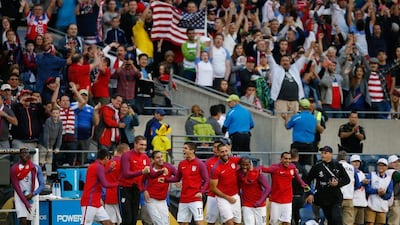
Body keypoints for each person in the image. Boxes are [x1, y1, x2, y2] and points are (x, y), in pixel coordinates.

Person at [162, 142, 208, 225]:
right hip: (184, 198)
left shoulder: (200, 164)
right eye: (183, 148)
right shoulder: (182, 164)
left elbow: (206, 180)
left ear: (192, 150)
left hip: (195, 198)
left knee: (199, 222)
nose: (183, 150)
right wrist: (165, 179)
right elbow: (177, 178)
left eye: (185, 148)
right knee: (183, 223)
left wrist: (201, 192)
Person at [305, 146, 351, 225]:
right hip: (322, 198)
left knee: (337, 219)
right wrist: (309, 194)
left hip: (335, 198)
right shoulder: (316, 167)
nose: (323, 155)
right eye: (322, 153)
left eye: (325, 153)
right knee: (329, 219)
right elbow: (307, 181)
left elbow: (347, 179)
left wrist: (338, 183)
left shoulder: (338, 165)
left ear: (331, 154)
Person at [261, 152, 309, 225]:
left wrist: (303, 184)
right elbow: (263, 169)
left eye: (289, 159)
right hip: (275, 200)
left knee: (287, 222)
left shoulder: (292, 167)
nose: (288, 161)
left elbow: (297, 177)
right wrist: (256, 169)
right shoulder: (274, 168)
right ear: (281, 159)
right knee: (274, 222)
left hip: (287, 200)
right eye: (285, 158)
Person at [80, 148, 118, 225]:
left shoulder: (94, 166)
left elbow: (100, 175)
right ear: (106, 157)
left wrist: (109, 169)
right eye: (109, 159)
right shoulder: (99, 167)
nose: (108, 161)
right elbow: (105, 184)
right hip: (89, 202)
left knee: (108, 223)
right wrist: (118, 184)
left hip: (95, 202)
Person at [118, 135, 151, 225]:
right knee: (127, 219)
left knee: (134, 220)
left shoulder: (145, 157)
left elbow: (149, 174)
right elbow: (126, 173)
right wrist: (141, 171)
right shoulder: (126, 155)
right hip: (125, 189)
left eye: (145, 145)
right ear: (135, 144)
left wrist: (161, 172)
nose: (143, 147)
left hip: (136, 190)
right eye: (141, 144)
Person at [10, 147, 45, 225]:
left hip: (32, 196)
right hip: (20, 197)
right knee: (23, 221)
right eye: (23, 153)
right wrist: (25, 202)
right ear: (19, 155)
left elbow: (42, 185)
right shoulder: (14, 169)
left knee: (29, 222)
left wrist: (33, 194)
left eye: (26, 153)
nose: (24, 154)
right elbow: (16, 187)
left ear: (29, 155)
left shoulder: (35, 167)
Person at [210, 143, 241, 225]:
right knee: (229, 222)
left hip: (235, 196)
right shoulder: (216, 168)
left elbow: (246, 161)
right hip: (222, 198)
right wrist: (227, 197)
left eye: (226, 151)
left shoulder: (234, 160)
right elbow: (213, 188)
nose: (225, 153)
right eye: (222, 152)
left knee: (237, 223)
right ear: (218, 153)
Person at [143, 151, 177, 225]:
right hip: (151, 200)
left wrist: (176, 181)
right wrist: (145, 190)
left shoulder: (168, 167)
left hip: (162, 200)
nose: (161, 159)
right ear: (153, 159)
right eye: (158, 157)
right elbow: (141, 181)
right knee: (158, 223)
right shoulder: (149, 169)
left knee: (166, 223)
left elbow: (178, 176)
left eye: (161, 156)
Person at [282, 98, 317, 165]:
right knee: (308, 165)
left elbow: (287, 126)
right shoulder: (313, 118)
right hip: (310, 145)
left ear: (300, 107)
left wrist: (286, 119)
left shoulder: (296, 117)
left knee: (294, 164)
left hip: (297, 146)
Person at [238, 156, 270, 225]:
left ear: (250, 164)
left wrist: (260, 201)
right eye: (243, 164)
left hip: (260, 207)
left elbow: (268, 188)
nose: (245, 167)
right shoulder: (239, 174)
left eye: (247, 165)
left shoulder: (258, 174)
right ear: (240, 165)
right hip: (247, 206)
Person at [104, 144, 130, 225]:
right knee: (122, 220)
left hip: (109, 195)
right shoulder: (123, 163)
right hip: (120, 194)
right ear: (124, 152)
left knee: (111, 221)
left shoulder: (108, 163)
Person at [365, 158, 393, 225]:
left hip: (382, 207)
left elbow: (389, 195)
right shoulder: (371, 175)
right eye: (379, 165)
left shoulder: (389, 179)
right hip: (371, 205)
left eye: (383, 165)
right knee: (369, 223)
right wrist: (377, 191)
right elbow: (367, 189)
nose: (381, 167)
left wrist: (383, 194)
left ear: (386, 167)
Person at [337, 150, 361, 225]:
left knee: (334, 220)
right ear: (346, 158)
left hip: (337, 198)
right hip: (349, 198)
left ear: (338, 158)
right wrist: (351, 190)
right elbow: (358, 184)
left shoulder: (334, 166)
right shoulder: (352, 168)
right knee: (348, 222)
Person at [289, 149, 308, 225]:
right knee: (299, 218)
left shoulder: (287, 169)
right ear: (298, 157)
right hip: (300, 197)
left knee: (288, 218)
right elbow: (307, 183)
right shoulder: (302, 169)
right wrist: (308, 194)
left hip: (289, 197)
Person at [350, 154, 368, 225]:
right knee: (350, 222)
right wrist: (362, 183)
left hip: (361, 202)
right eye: (354, 161)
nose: (357, 163)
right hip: (353, 202)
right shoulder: (350, 173)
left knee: (359, 223)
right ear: (351, 162)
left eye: (358, 161)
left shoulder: (362, 173)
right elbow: (352, 187)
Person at [386, 155, 400, 225]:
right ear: (389, 164)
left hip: (389, 199)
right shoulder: (393, 172)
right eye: (394, 162)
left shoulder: (387, 172)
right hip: (394, 200)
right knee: (394, 221)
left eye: (398, 162)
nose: (397, 164)